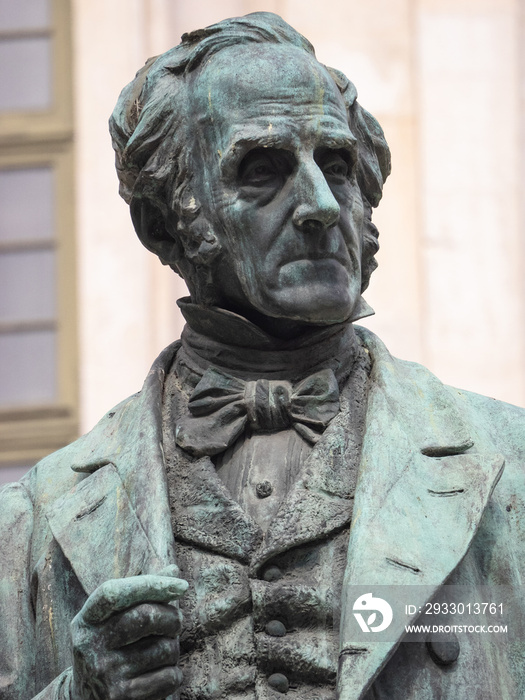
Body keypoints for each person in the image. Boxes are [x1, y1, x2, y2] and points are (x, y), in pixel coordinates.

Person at [1, 12, 524, 700]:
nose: (318, 205)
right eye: (262, 171)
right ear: (164, 224)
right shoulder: (40, 517)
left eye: (334, 166)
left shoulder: (506, 465)